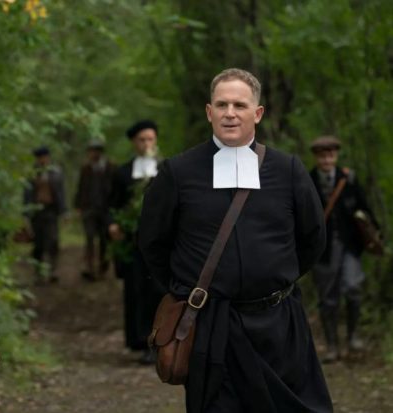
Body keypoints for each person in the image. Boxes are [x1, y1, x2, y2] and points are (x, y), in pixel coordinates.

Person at [138, 68, 333, 412]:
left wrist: (274, 281)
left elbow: (313, 238)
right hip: (213, 328)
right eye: (222, 104)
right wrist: (185, 287)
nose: (230, 113)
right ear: (209, 111)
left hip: (280, 325)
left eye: (240, 105)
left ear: (257, 113)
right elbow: (153, 243)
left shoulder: (288, 170)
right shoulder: (178, 172)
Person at [309, 135, 378, 362]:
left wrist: (374, 233)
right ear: (317, 157)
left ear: (336, 155)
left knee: (353, 287)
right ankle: (331, 346)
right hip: (323, 250)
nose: (327, 159)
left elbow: (364, 207)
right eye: (322, 155)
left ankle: (352, 337)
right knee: (327, 298)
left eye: (330, 155)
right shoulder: (307, 181)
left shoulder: (348, 179)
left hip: (350, 246)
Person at [109, 120, 165, 364]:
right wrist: (113, 224)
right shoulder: (122, 173)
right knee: (137, 290)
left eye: (150, 139)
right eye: (142, 140)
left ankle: (162, 340)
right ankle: (141, 341)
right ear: (134, 143)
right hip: (132, 243)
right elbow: (112, 204)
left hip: (161, 242)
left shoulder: (166, 169)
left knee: (159, 291)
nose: (146, 144)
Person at [24, 146, 66, 283]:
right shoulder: (32, 174)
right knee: (38, 243)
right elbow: (27, 195)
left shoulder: (56, 173)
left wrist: (64, 211)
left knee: (53, 240)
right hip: (36, 212)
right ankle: (39, 272)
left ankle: (53, 270)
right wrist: (26, 213)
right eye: (40, 157)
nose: (42, 160)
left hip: (51, 211)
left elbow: (61, 193)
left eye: (44, 157)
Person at [74, 140, 115, 281]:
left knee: (104, 239)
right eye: (91, 151)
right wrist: (78, 206)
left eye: (95, 151)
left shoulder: (110, 167)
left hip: (105, 209)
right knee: (89, 237)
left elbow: (115, 189)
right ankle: (89, 267)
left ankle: (103, 266)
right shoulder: (85, 168)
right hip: (89, 208)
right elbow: (81, 188)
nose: (93, 154)